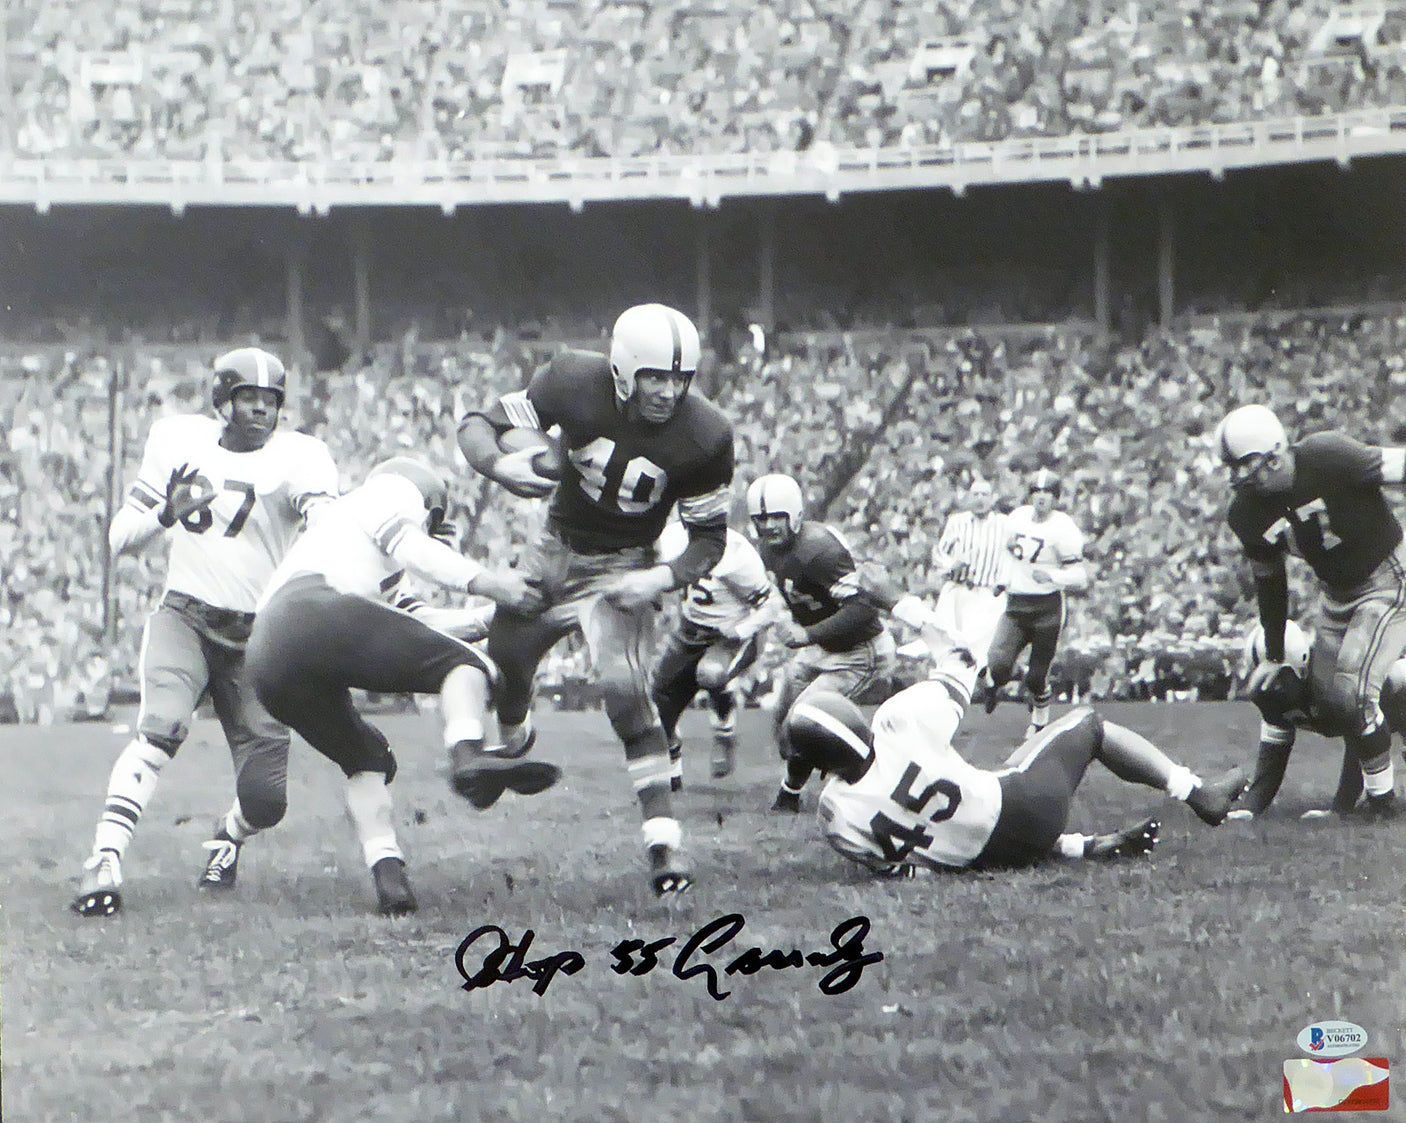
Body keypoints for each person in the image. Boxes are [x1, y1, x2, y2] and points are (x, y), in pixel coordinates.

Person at [456, 303, 734, 895]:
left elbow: (709, 539)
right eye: (655, 376)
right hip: (554, 549)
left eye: (679, 379)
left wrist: (659, 579)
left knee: (626, 694)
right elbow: (481, 421)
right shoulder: (572, 380)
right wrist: (502, 464)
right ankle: (514, 735)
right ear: (623, 371)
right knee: (508, 654)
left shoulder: (707, 435)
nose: (667, 391)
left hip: (624, 564)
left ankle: (664, 849)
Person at [73, 348, 340, 918]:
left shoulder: (300, 456)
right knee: (161, 726)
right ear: (223, 402)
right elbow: (121, 537)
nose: (261, 412)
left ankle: (228, 837)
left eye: (270, 402)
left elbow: (328, 525)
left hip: (260, 637)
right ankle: (105, 857)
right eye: (249, 399)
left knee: (266, 800)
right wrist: (166, 513)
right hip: (187, 617)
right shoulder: (178, 441)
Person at [245, 457, 544, 915]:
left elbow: (417, 622)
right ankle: (468, 754)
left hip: (268, 654)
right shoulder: (388, 493)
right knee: (465, 666)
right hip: (316, 610)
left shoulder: (347, 545)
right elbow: (413, 549)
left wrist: (494, 617)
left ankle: (389, 876)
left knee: (366, 757)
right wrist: (493, 586)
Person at [787, 595, 1248, 875]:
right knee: (1089, 725)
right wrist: (908, 609)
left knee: (978, 806)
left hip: (985, 858)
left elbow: (907, 874)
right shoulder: (895, 722)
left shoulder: (835, 814)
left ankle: (1080, 848)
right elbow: (959, 664)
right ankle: (1198, 794)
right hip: (1025, 811)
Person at [1215, 404, 1403, 817]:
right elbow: (1270, 581)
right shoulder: (1245, 513)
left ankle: (1382, 802)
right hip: (1335, 594)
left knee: (1352, 685)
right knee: (1334, 701)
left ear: (1275, 454)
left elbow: (1399, 465)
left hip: (1388, 577)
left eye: (1243, 465)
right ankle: (1351, 802)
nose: (1236, 478)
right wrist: (1276, 652)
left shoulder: (1328, 456)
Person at [745, 473, 897, 814]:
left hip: (860, 651)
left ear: (795, 515)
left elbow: (862, 608)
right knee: (784, 721)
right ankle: (823, 769)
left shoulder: (820, 550)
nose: (768, 526)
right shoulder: (768, 549)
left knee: (805, 719)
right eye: (761, 518)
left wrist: (806, 634)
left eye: (776, 517)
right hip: (823, 648)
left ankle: (795, 795)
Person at [651, 517, 783, 787]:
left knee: (711, 674)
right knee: (658, 700)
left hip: (730, 634)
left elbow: (772, 607)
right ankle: (672, 769)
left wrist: (741, 631)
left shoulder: (738, 553)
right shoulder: (672, 538)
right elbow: (654, 572)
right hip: (690, 631)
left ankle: (724, 732)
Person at [1228, 620, 1406, 820]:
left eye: (1278, 680)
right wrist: (1251, 808)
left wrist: (1340, 808)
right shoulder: (1276, 691)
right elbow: (1273, 755)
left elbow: (1360, 741)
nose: (1270, 689)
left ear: (1301, 668)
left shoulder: (1332, 681)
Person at [984, 467, 1089, 737]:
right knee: (997, 664)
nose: (1041, 497)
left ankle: (1039, 720)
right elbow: (1008, 554)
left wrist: (1053, 575)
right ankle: (995, 683)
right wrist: (1002, 578)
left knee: (1036, 676)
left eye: (1047, 492)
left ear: (1055, 498)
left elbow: (1080, 576)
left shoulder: (1064, 527)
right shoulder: (1017, 518)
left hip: (1047, 608)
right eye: (1036, 491)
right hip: (1016, 605)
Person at [929, 474, 1011, 675]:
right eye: (975, 494)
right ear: (968, 497)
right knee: (951, 642)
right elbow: (939, 553)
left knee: (981, 647)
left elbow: (1012, 558)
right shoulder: (957, 522)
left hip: (988, 594)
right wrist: (951, 565)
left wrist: (1004, 582)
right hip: (959, 591)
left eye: (985, 494)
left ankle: (984, 683)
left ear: (992, 498)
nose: (980, 499)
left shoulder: (1005, 524)